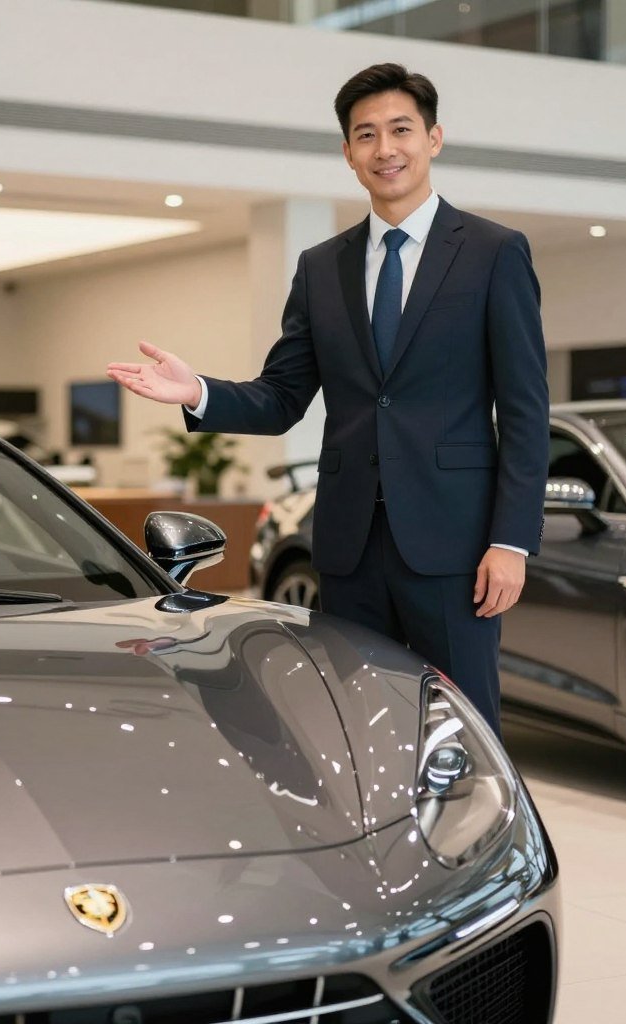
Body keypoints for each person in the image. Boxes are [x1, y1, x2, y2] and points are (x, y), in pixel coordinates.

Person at [107, 63, 549, 734]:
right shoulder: (321, 267)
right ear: (348, 154)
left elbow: (524, 410)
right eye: (365, 135)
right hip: (348, 548)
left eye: (400, 129)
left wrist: (510, 541)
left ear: (434, 138)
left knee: (462, 726)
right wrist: (196, 391)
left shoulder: (493, 253)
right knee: (354, 726)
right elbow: (283, 395)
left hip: (454, 547)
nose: (384, 149)